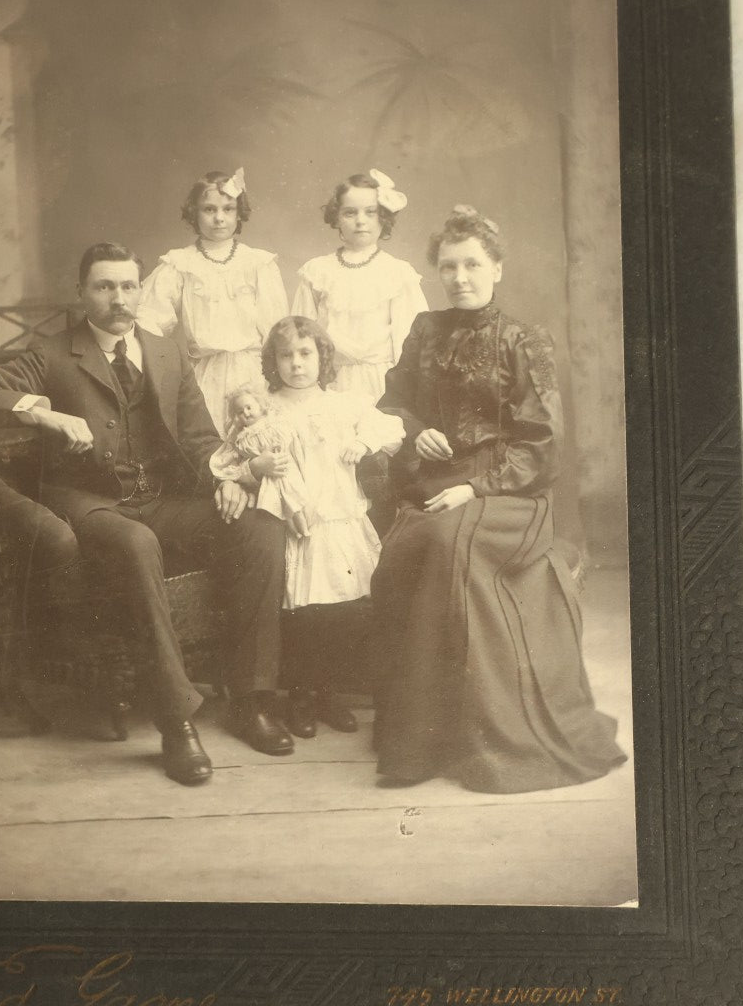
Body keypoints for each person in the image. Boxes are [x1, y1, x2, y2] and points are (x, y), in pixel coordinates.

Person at [0, 241, 297, 787]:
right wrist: (41, 411)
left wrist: (231, 478)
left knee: (259, 529)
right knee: (135, 543)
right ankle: (176, 722)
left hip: (161, 499)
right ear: (82, 293)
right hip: (90, 502)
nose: (119, 298)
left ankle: (253, 700)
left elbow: (200, 439)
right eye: (105, 287)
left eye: (128, 286)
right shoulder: (54, 353)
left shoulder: (166, 352)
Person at [372, 207, 627, 791]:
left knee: (445, 543)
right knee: (413, 544)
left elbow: (542, 442)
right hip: (436, 479)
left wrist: (475, 485)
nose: (460, 277)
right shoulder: (423, 331)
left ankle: (444, 740)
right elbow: (389, 405)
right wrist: (415, 430)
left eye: (472, 265)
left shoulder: (522, 339)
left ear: (497, 269)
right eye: (448, 266)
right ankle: (417, 730)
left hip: (510, 488)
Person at [257, 316, 404, 738]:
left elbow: (390, 426)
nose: (296, 364)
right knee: (303, 614)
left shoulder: (343, 404)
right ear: (273, 362)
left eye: (306, 354)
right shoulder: (267, 409)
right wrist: (289, 504)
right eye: (285, 355)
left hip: (341, 520)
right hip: (297, 521)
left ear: (322, 357)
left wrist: (363, 443)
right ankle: (300, 695)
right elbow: (256, 460)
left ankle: (328, 693)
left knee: (342, 610)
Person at [136, 168, 289, 431]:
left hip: (254, 373)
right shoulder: (180, 263)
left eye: (228, 209)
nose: (219, 218)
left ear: (238, 213)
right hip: (204, 374)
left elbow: (277, 329)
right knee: (209, 441)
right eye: (209, 209)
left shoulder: (257, 263)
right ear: (194, 213)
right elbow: (148, 319)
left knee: (259, 442)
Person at [291, 169, 428, 400]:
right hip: (330, 383)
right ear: (336, 218)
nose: (361, 221)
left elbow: (412, 342)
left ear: (384, 216)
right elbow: (299, 334)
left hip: (383, 383)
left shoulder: (398, 273)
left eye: (371, 212)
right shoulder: (317, 272)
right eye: (350, 213)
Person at [210, 385, 312, 539]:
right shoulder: (243, 437)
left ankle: (304, 529)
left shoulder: (274, 422)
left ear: (260, 405)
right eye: (240, 412)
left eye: (249, 407)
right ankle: (296, 532)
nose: (246, 413)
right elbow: (240, 455)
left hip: (285, 467)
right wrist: (256, 460)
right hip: (267, 477)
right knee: (277, 509)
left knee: (295, 499)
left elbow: (287, 438)